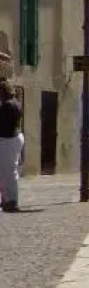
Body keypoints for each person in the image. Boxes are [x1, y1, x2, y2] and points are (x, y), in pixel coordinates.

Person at [0, 79, 22, 212]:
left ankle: (12, 201)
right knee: (7, 171)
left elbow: (2, 124)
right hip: (13, 138)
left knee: (8, 172)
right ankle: (7, 199)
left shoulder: (7, 105)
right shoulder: (15, 103)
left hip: (8, 140)